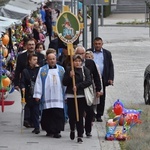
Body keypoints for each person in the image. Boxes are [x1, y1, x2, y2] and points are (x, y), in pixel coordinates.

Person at [33, 51, 65, 138]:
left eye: (53, 59)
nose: (52, 61)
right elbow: (38, 82)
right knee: (48, 113)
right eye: (50, 59)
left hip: (58, 96)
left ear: (56, 59)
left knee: (58, 114)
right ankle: (49, 130)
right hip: (47, 96)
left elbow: (65, 83)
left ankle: (57, 131)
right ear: (47, 60)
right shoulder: (43, 70)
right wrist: (37, 95)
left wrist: (66, 94)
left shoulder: (61, 69)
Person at [14, 38, 45, 127]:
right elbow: (17, 71)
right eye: (29, 45)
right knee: (27, 102)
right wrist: (16, 83)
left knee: (36, 102)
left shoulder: (41, 56)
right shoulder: (21, 56)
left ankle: (34, 120)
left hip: (37, 83)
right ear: (26, 46)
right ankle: (27, 120)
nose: (31, 46)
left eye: (33, 45)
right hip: (25, 83)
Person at [62, 54, 92, 143]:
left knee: (80, 114)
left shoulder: (85, 70)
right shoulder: (69, 70)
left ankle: (80, 134)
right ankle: (72, 129)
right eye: (76, 61)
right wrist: (70, 77)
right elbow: (64, 82)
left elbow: (88, 81)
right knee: (72, 115)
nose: (77, 63)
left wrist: (78, 86)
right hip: (71, 95)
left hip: (81, 95)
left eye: (79, 61)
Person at [75, 45, 101, 137]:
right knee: (80, 111)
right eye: (79, 53)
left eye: (82, 53)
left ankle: (88, 130)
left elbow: (96, 76)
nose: (81, 55)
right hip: (78, 91)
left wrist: (98, 89)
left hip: (88, 90)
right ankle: (80, 131)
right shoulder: (73, 63)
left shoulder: (90, 63)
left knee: (89, 111)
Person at [87, 37, 114, 122]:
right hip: (91, 78)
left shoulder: (107, 53)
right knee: (92, 96)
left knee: (101, 96)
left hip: (102, 77)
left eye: (99, 44)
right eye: (96, 44)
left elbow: (110, 66)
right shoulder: (89, 52)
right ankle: (92, 114)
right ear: (93, 44)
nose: (97, 45)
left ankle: (99, 114)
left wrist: (110, 78)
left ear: (102, 44)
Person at [20, 54, 40, 134]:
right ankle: (30, 122)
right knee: (30, 108)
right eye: (34, 59)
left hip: (37, 92)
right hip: (29, 92)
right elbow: (23, 81)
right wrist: (22, 87)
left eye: (36, 59)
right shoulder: (25, 71)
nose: (36, 61)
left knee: (35, 110)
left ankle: (37, 126)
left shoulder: (39, 70)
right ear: (29, 61)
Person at [85, 51, 103, 115]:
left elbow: (98, 77)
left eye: (89, 57)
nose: (88, 58)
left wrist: (100, 89)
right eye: (86, 57)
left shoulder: (94, 65)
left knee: (93, 102)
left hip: (93, 86)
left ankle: (93, 114)